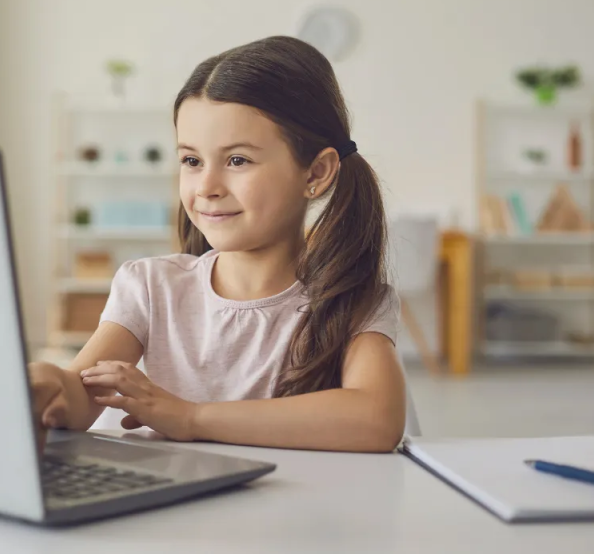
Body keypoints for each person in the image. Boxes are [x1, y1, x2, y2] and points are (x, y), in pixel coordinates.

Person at [29, 35, 406, 452]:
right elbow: (80, 396)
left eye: (238, 160)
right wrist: (49, 383)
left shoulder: (351, 300)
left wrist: (190, 418)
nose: (206, 186)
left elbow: (375, 420)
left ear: (316, 172)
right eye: (191, 161)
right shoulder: (150, 286)